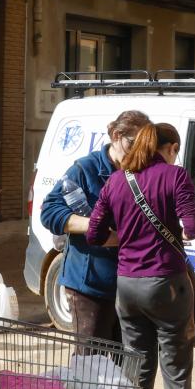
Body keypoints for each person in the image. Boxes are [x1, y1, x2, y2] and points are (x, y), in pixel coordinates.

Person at [87, 116, 195, 389]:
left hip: (127, 286)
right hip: (166, 284)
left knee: (135, 371)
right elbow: (194, 228)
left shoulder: (116, 180)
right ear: (165, 148)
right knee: (176, 375)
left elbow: (93, 233)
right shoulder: (175, 176)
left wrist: (127, 236)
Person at [40, 111, 140, 352]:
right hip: (90, 282)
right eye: (133, 144)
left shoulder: (139, 169)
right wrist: (95, 227)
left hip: (129, 282)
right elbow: (50, 211)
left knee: (122, 361)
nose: (139, 152)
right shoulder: (85, 170)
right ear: (117, 136)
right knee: (91, 362)